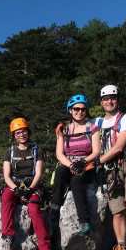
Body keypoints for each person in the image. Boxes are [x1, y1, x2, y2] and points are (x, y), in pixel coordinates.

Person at [92, 85, 126, 250]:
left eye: (113, 98)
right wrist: (64, 125)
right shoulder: (96, 122)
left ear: (118, 100)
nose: (110, 101)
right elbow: (78, 126)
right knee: (117, 210)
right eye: (106, 98)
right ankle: (121, 245)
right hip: (110, 168)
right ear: (101, 102)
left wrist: (95, 162)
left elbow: (118, 147)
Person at [0, 118, 54, 250]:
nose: (21, 135)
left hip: (32, 186)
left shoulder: (36, 151)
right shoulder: (10, 152)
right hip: (14, 185)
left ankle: (45, 248)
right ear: (14, 136)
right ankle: (7, 237)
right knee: (6, 199)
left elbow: (38, 174)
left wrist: (29, 190)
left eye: (23, 131)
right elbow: (7, 176)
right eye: (17, 133)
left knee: (35, 210)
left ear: (28, 132)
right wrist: (17, 190)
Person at [49, 94, 102, 233]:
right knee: (60, 172)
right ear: (70, 110)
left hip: (87, 164)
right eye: (76, 109)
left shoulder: (92, 129)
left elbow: (96, 151)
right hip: (69, 163)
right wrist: (71, 165)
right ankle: (55, 206)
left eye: (83, 109)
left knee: (77, 181)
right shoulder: (63, 129)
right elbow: (59, 154)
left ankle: (84, 220)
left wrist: (83, 162)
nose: (80, 112)